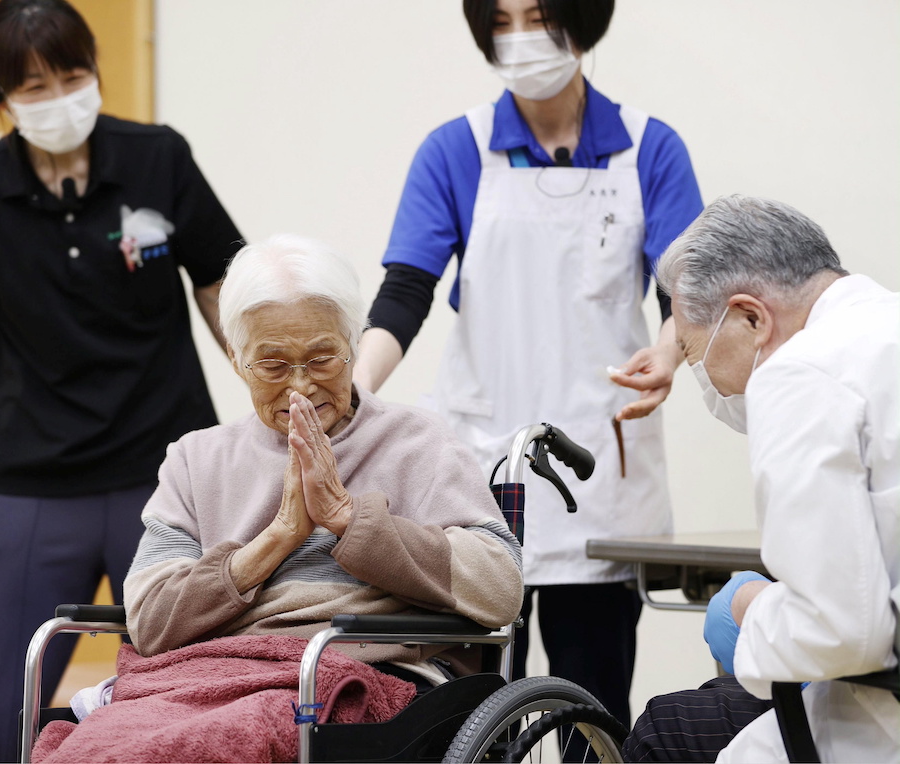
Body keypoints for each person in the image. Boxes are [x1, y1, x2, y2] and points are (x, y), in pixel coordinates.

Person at [27, 234, 523, 761]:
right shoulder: (197, 460)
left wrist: (349, 520)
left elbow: (498, 585)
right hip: (199, 678)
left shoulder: (419, 444)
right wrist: (277, 539)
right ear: (238, 361)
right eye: (273, 366)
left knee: (215, 742)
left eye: (323, 358)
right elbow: (149, 619)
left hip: (352, 674)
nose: (302, 386)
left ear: (354, 346)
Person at [354, 0, 702, 726]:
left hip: (597, 466)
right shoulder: (456, 149)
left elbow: (688, 290)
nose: (521, 38)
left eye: (540, 14)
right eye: (503, 18)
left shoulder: (648, 147)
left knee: (592, 697)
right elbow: (406, 292)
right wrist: (351, 392)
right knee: (467, 702)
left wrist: (670, 353)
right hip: (481, 463)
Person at [0, 1, 243, 760]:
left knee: (187, 695)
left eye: (72, 74)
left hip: (166, 477)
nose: (59, 97)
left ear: (95, 70)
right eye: (33, 86)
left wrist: (266, 390)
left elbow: (220, 284)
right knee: (2, 712)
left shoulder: (158, 157)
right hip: (31, 483)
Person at [623, 195, 900, 762]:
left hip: (880, 719)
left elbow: (838, 634)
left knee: (667, 728)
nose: (702, 375)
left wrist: (750, 607)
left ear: (751, 317)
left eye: (691, 351)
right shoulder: (882, 327)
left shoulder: (801, 373)